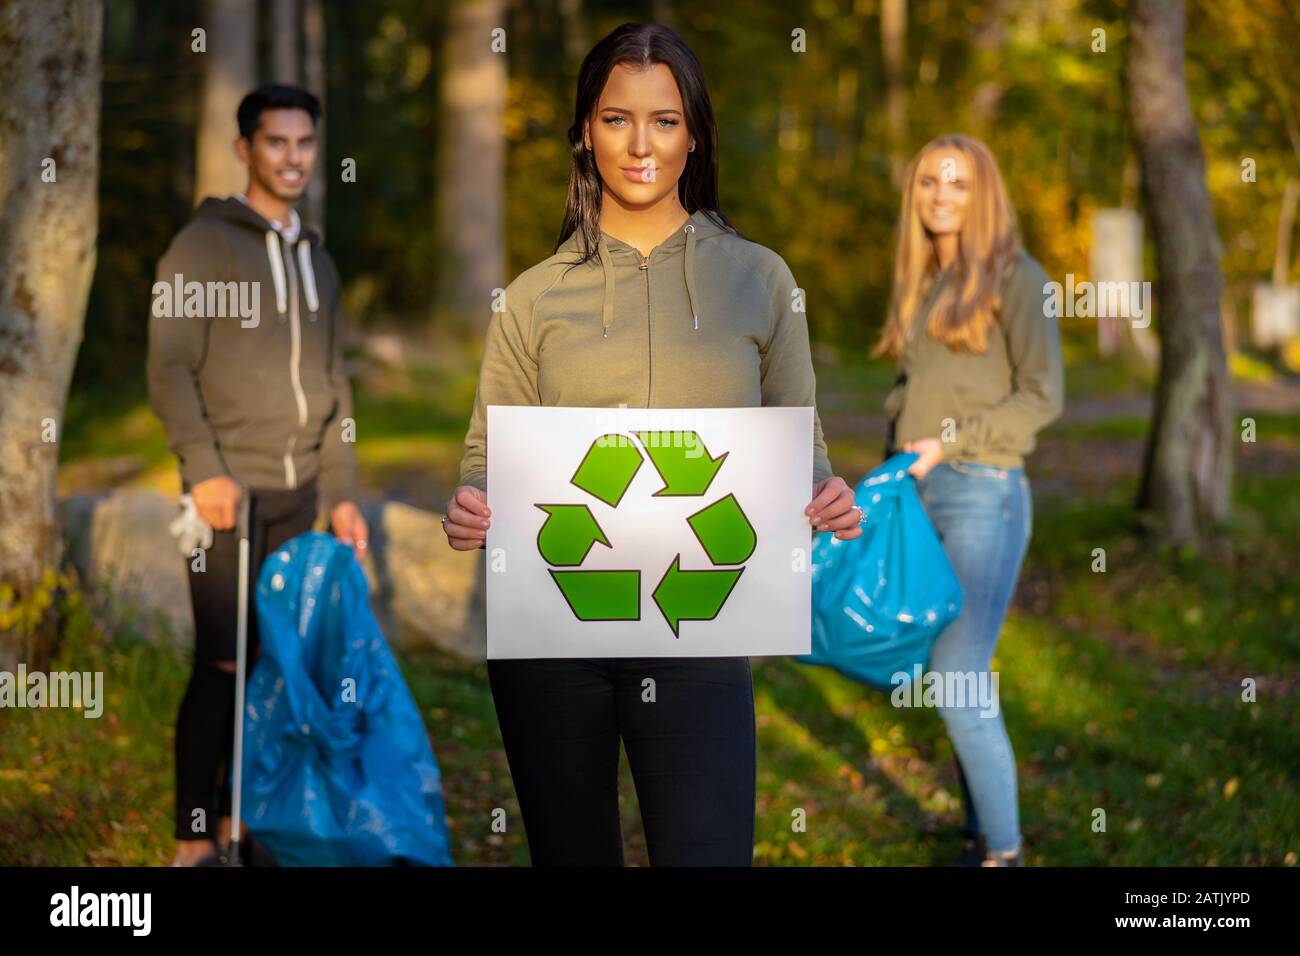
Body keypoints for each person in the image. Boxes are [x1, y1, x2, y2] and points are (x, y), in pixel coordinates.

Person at [443, 22, 861, 866]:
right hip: (554, 633)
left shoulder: (761, 281)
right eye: (615, 119)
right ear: (584, 133)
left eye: (664, 120)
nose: (641, 145)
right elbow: (488, 457)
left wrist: (823, 491)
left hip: (698, 627)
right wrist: (470, 505)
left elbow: (797, 433)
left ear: (695, 132)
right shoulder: (530, 299)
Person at [147, 84, 367, 866]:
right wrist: (202, 471)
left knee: (277, 664)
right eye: (277, 142)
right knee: (224, 661)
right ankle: (191, 840)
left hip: (298, 493)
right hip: (223, 497)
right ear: (245, 149)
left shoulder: (319, 259)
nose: (294, 157)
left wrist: (340, 493)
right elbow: (169, 368)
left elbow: (336, 385)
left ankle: (243, 826)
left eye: (305, 142)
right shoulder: (203, 247)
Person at [875, 134, 1064, 866]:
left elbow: (1042, 396)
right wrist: (892, 468)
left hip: (984, 493)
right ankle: (982, 830)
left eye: (956, 184)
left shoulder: (1018, 278)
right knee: (943, 671)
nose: (940, 197)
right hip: (919, 495)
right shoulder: (925, 280)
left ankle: (1005, 856)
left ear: (982, 193)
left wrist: (949, 445)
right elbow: (909, 394)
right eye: (928, 182)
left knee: (958, 677)